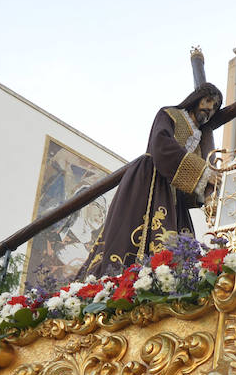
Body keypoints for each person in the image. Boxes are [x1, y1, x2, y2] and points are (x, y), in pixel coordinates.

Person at [76, 84, 224, 279]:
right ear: (197, 98)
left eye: (214, 108)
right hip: (150, 177)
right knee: (133, 232)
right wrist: (203, 172)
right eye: (208, 102)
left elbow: (188, 183)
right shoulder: (170, 114)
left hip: (172, 193)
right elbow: (161, 145)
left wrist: (205, 185)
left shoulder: (200, 135)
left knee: (179, 246)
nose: (209, 110)